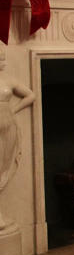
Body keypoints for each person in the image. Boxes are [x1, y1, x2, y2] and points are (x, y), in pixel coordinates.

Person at [0, 47, 35, 230]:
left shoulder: (9, 79)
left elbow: (31, 95)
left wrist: (13, 110)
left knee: (4, 165)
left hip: (8, 127)